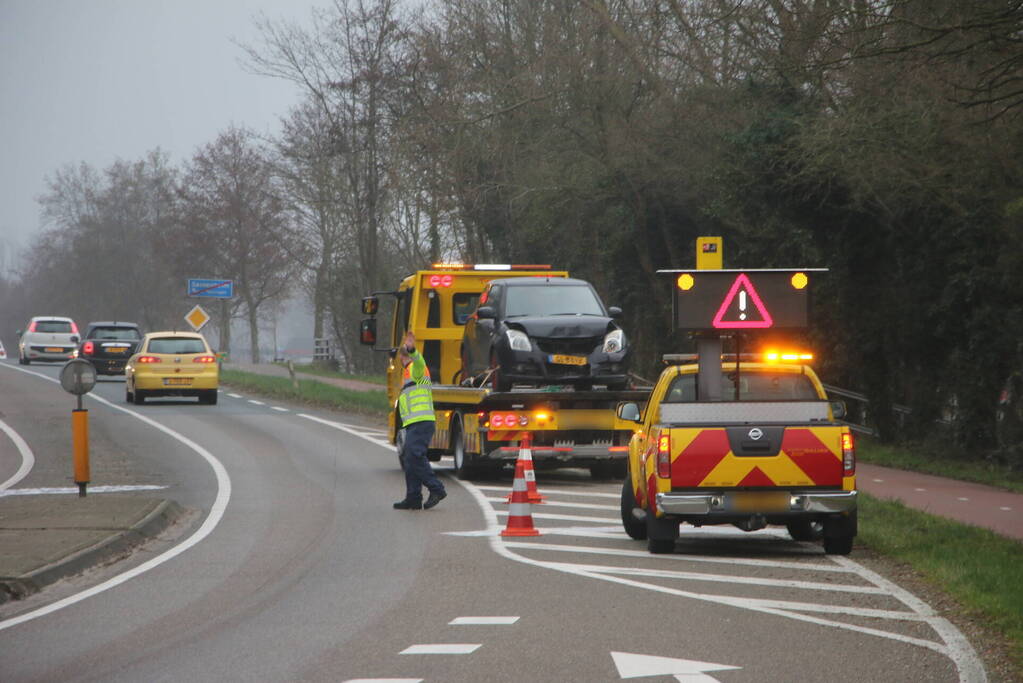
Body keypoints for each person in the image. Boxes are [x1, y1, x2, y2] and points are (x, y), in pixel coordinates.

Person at [393, 331, 447, 510]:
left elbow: (419, 361)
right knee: (410, 458)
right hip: (414, 423)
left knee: (414, 456)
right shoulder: (408, 374)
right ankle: (413, 498)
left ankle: (436, 488)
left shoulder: (416, 369)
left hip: (422, 421)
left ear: (402, 357)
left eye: (401, 357)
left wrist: (413, 349)